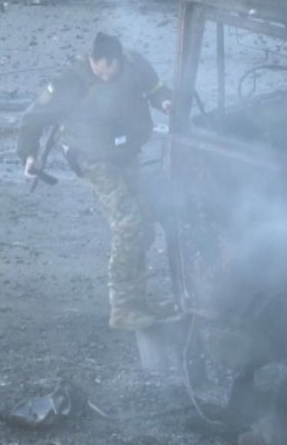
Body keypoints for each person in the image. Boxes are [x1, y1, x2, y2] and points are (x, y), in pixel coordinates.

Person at [17, 32, 174, 331]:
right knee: (128, 225)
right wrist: (29, 155)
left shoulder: (135, 64)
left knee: (145, 226)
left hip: (126, 154)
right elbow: (34, 117)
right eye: (99, 72)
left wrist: (165, 101)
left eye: (110, 73)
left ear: (119, 60)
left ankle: (138, 302)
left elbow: (155, 89)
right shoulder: (70, 82)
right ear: (92, 60)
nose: (105, 78)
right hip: (93, 159)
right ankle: (123, 309)